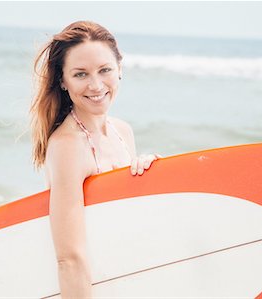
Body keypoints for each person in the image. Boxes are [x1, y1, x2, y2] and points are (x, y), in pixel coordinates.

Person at [29, 20, 160, 298]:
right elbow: (70, 259)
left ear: (120, 70)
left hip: (123, 275)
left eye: (105, 70)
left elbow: (125, 218)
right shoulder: (67, 147)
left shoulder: (123, 131)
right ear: (62, 81)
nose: (96, 85)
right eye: (80, 74)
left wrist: (150, 175)